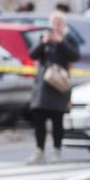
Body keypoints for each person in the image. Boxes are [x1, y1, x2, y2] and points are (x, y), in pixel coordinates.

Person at [26, 11, 80, 165]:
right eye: (54, 23)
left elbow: (75, 56)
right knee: (39, 117)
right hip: (43, 85)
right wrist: (44, 42)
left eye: (59, 24)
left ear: (63, 25)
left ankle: (56, 150)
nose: (56, 27)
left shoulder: (69, 39)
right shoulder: (45, 37)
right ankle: (39, 151)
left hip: (59, 84)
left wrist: (61, 42)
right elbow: (32, 55)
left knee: (57, 119)